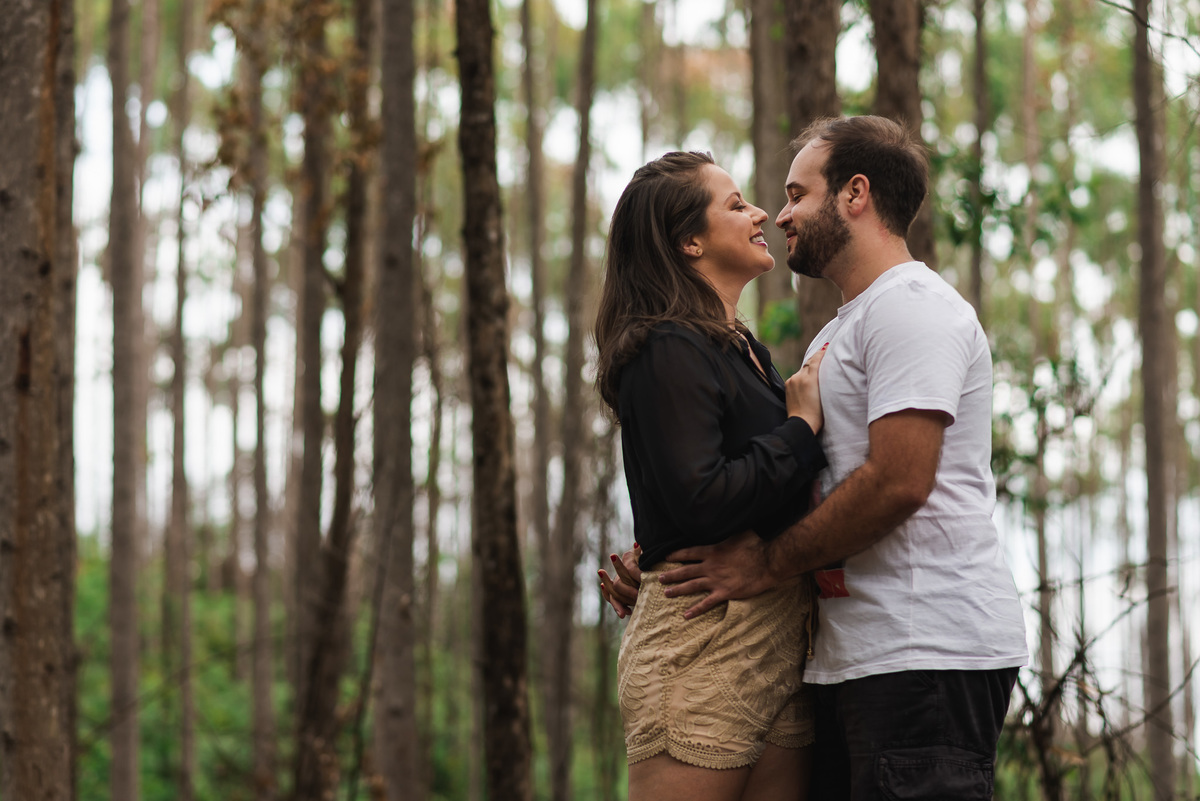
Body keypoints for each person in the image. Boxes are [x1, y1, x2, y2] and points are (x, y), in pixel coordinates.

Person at [605, 116, 1028, 800]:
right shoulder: (836, 331)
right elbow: (784, 473)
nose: (781, 212)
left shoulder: (912, 309)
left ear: (854, 194)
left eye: (797, 192)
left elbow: (897, 481)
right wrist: (665, 548)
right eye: (752, 200)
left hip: (921, 649)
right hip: (843, 655)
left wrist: (762, 562)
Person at [594, 150, 830, 801]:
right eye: (735, 204)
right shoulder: (666, 343)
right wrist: (801, 430)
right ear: (689, 242)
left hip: (777, 637)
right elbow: (700, 498)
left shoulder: (744, 349)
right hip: (702, 640)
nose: (759, 213)